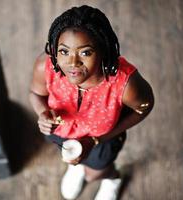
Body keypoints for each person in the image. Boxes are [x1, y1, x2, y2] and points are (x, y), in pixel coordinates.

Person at [29, 5, 154, 200]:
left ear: (103, 50)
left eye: (85, 53)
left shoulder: (124, 82)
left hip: (103, 139)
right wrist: (43, 112)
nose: (72, 63)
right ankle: (79, 166)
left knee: (96, 171)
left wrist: (96, 140)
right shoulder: (45, 66)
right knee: (75, 159)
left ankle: (112, 178)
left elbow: (144, 107)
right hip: (63, 134)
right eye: (64, 51)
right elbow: (36, 94)